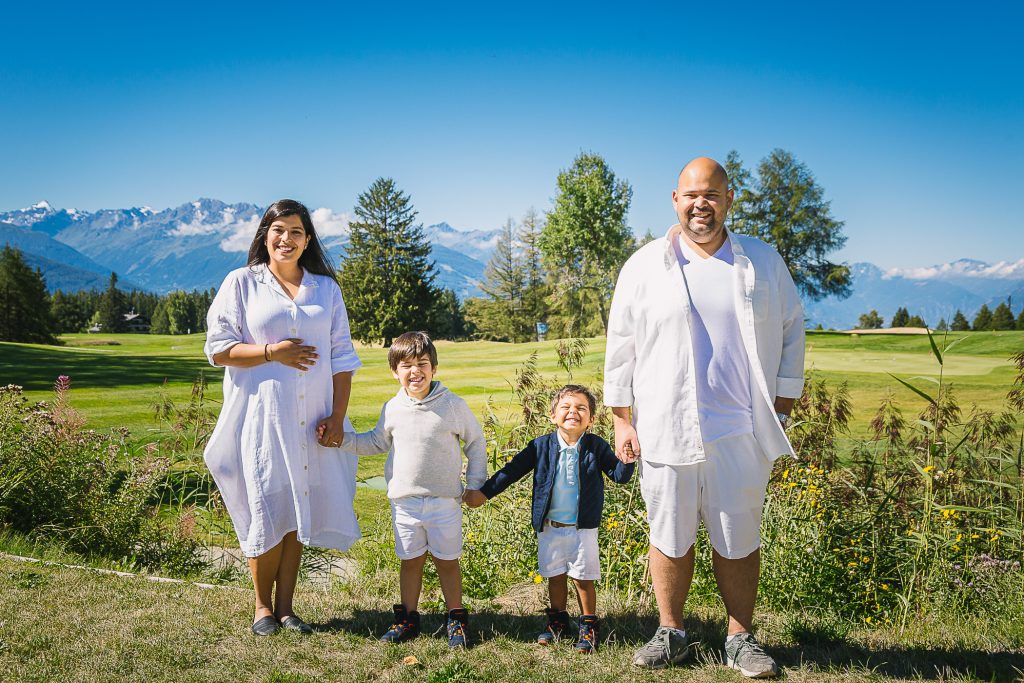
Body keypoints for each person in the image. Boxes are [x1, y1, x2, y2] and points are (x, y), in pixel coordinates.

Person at [604, 157, 805, 677]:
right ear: (675, 200)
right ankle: (671, 633)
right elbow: (620, 344)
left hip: (740, 427)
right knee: (668, 533)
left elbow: (790, 328)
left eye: (712, 195)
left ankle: (741, 639)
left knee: (739, 535)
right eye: (692, 195)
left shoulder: (761, 261)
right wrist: (622, 419)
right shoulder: (644, 265)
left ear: (728, 200)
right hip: (664, 424)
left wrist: (782, 403)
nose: (702, 205)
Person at [204, 199, 363, 636]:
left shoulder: (326, 290)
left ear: (307, 239)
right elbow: (218, 349)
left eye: (295, 231)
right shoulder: (242, 283)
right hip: (262, 417)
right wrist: (274, 352)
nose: (286, 239)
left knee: (298, 509)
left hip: (313, 418)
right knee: (266, 505)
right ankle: (261, 609)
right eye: (278, 230)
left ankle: (288, 608)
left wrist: (337, 415)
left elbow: (343, 358)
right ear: (265, 235)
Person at [341, 331, 486, 648]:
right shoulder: (392, 407)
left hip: (445, 501)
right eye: (406, 365)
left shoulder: (452, 406)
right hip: (404, 504)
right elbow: (376, 442)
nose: (415, 371)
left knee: (447, 562)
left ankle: (456, 620)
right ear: (395, 371)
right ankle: (407, 618)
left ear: (434, 368)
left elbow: (476, 445)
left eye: (422, 363)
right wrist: (341, 439)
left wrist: (476, 485)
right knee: (411, 561)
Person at [464, 384, 634, 653]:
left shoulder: (595, 446)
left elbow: (619, 476)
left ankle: (588, 626)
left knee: (582, 578)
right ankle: (557, 622)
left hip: (583, 528)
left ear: (591, 418)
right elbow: (512, 471)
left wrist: (627, 459)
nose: (573, 412)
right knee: (555, 575)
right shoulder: (540, 446)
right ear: (552, 415)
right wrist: (483, 493)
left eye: (581, 408)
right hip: (549, 526)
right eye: (566, 407)